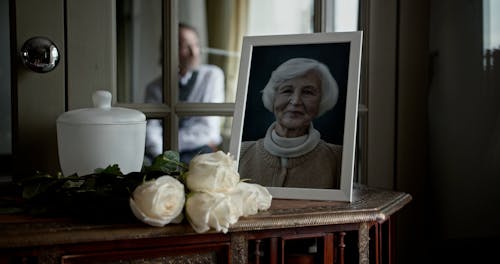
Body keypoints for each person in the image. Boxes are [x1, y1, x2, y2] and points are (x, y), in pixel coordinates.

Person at [239, 58, 342, 189]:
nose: (296, 101)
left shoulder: (339, 159)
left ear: (322, 100)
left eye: (307, 92)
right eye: (287, 90)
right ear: (273, 97)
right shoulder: (242, 153)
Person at [144, 23, 225, 164]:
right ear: (170, 50)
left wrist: (168, 144)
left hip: (200, 150)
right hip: (161, 154)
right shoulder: (154, 88)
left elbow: (208, 130)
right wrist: (163, 157)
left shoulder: (212, 76)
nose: (194, 52)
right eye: (186, 46)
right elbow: (151, 130)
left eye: (196, 45)